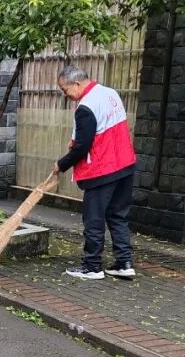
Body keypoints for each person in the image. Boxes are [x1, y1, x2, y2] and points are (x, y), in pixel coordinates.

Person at [52, 65, 137, 281]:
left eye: (65, 89)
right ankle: (124, 263)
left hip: (102, 170)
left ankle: (92, 266)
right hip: (124, 164)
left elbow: (82, 146)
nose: (66, 95)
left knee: (94, 219)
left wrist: (61, 164)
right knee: (118, 215)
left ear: (77, 83)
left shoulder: (85, 107)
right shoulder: (110, 93)